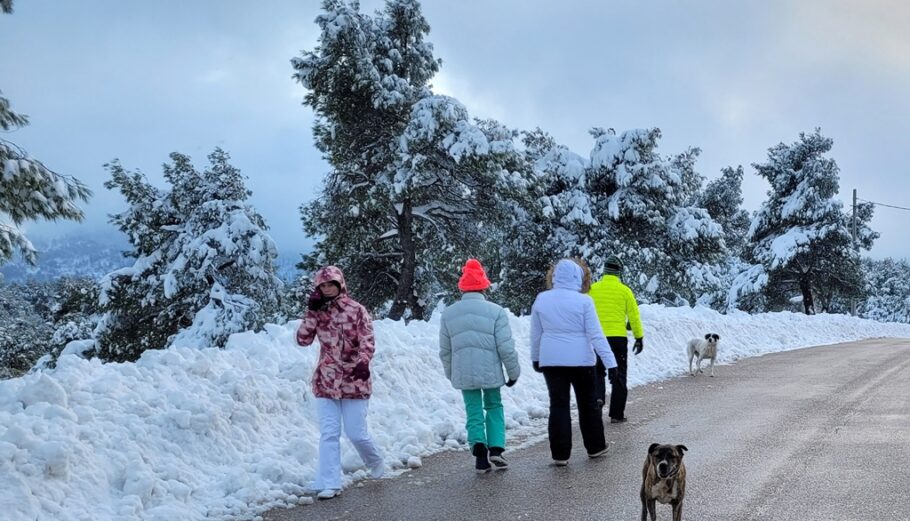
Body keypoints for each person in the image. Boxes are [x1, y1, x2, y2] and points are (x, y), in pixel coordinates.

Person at [296, 265, 384, 500]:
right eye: (322, 286)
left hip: (354, 379)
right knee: (329, 433)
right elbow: (302, 340)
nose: (326, 289)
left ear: (340, 284)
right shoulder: (318, 312)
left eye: (330, 284)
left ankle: (374, 459)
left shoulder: (357, 310)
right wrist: (311, 312)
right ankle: (330, 482)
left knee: (356, 433)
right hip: (326, 380)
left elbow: (367, 338)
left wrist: (364, 362)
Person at [530, 258, 618, 466]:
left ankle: (560, 454)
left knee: (558, 405)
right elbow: (596, 335)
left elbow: (535, 334)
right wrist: (611, 363)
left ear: (555, 277)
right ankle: (595, 447)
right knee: (588, 404)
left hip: (552, 362)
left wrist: (536, 357)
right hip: (581, 361)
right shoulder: (584, 301)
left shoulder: (542, 299)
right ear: (578, 278)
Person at [440, 258, 521, 473]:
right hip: (490, 370)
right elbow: (506, 347)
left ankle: (478, 449)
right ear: (484, 285)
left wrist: (451, 374)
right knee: (494, 405)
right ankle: (496, 448)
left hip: (463, 371)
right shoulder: (496, 312)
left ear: (463, 287)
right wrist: (513, 372)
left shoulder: (448, 314)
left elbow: (445, 350)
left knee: (473, 409)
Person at [587, 255, 644, 424]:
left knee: (597, 371)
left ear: (604, 271)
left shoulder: (593, 289)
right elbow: (634, 316)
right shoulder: (625, 291)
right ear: (619, 273)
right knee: (619, 375)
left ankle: (598, 399)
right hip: (618, 338)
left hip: (596, 337)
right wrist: (639, 337)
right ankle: (617, 414)